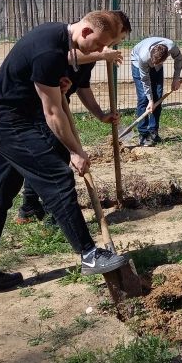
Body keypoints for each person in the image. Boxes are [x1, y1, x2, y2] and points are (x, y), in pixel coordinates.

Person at [0, 11, 130, 297]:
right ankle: (90, 255)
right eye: (100, 45)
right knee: (57, 177)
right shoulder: (49, 49)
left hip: (4, 118)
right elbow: (53, 113)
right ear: (87, 32)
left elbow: (50, 84)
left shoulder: (59, 41)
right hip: (10, 122)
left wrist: (60, 83)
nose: (101, 52)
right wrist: (75, 151)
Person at [16, 11, 131, 225]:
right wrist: (101, 55)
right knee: (54, 159)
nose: (115, 44)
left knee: (49, 155)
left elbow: (82, 86)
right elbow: (68, 56)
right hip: (42, 106)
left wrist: (100, 115)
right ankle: (53, 213)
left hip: (59, 103)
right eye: (119, 38)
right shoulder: (77, 44)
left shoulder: (93, 50)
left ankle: (30, 206)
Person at [130, 36, 182, 145]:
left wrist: (176, 79)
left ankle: (153, 132)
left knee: (158, 96)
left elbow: (178, 59)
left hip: (157, 62)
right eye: (153, 63)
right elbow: (145, 80)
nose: (154, 66)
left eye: (157, 63)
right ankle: (143, 134)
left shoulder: (172, 47)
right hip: (138, 63)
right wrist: (150, 100)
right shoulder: (143, 57)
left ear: (166, 56)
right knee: (144, 98)